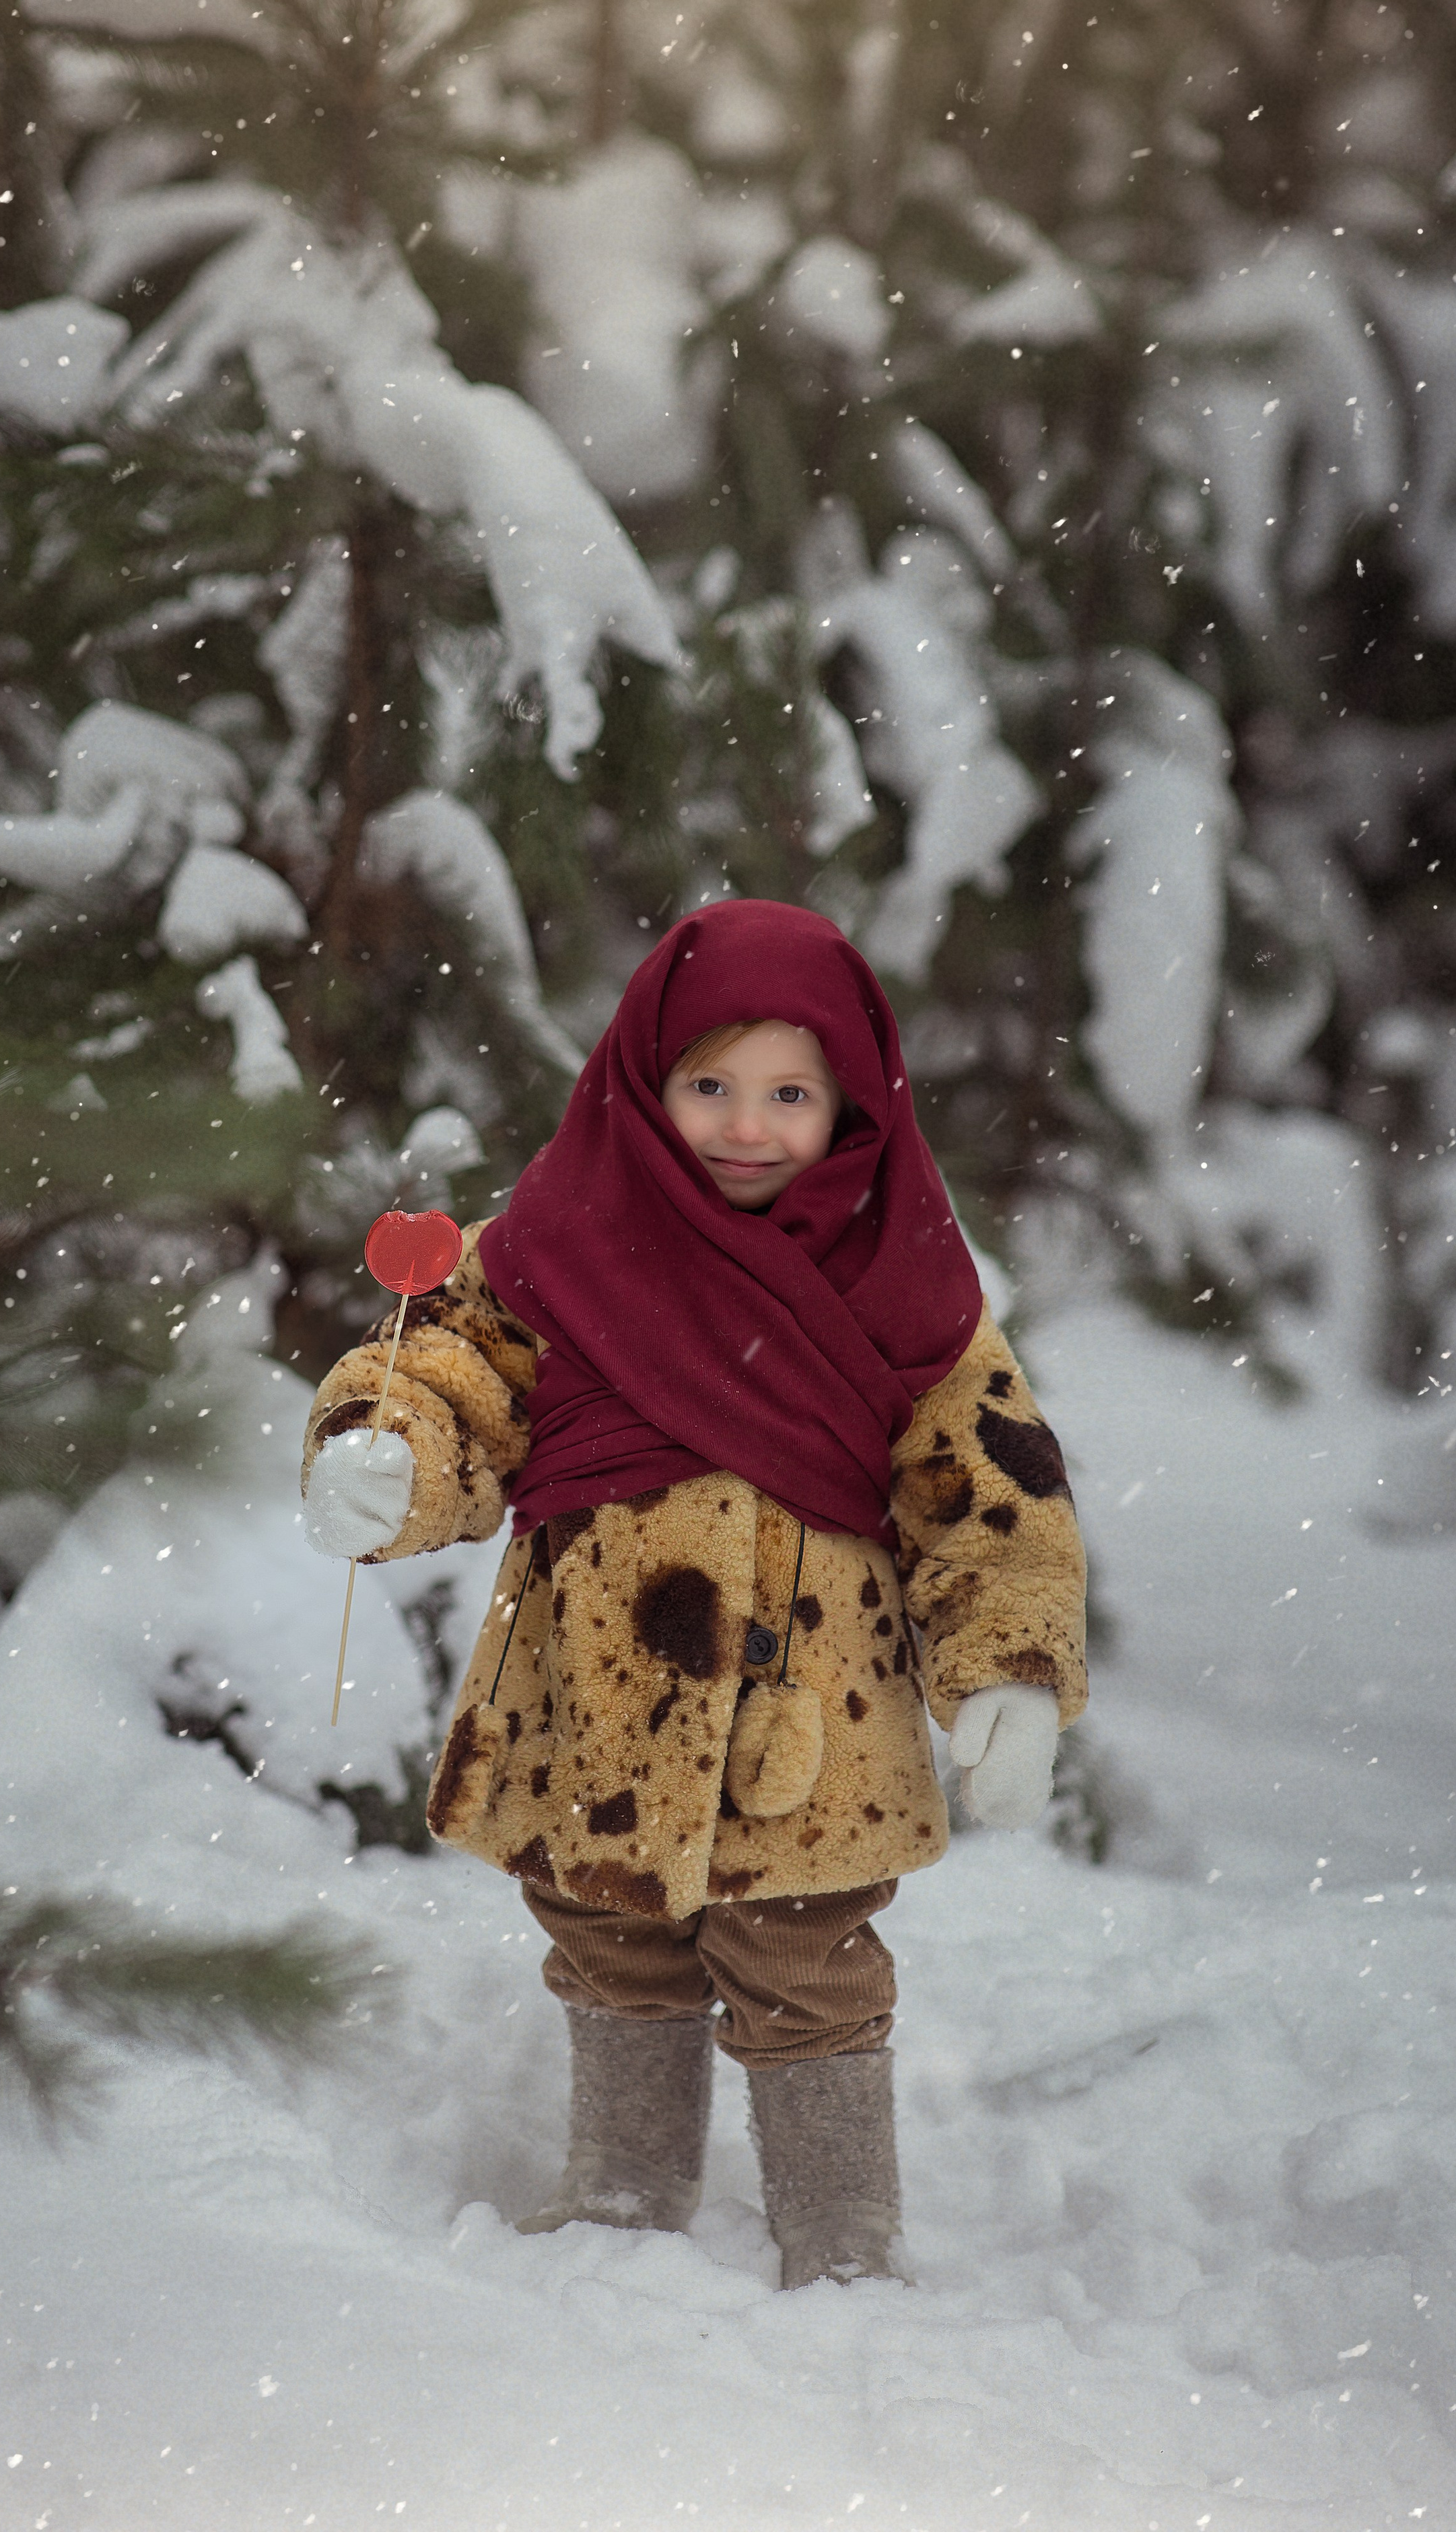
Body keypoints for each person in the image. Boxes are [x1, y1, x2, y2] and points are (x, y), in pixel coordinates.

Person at [301, 900, 1086, 2287]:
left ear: (851, 1104)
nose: (742, 1124)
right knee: (607, 1932)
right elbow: (444, 1375)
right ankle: (622, 2182)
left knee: (807, 1961)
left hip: (812, 1708)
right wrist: (389, 1458)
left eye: (788, 1093)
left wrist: (1007, 1666)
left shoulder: (904, 1280)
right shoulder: (554, 1238)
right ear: (640, 1080)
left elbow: (988, 1485)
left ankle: (840, 2231)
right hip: (589, 1681)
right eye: (707, 1085)